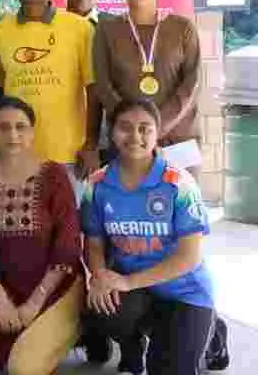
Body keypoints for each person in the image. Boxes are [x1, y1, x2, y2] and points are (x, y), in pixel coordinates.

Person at [82, 99, 216, 375]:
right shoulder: (97, 185)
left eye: (145, 128)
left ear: (158, 133)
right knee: (103, 307)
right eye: (125, 127)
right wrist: (100, 276)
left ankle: (213, 335)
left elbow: (190, 257)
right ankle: (133, 345)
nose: (135, 136)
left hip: (184, 293)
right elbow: (93, 243)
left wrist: (127, 282)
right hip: (135, 293)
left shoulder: (179, 184)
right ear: (111, 131)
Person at [0, 98, 83, 375]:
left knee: (23, 369)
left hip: (54, 289)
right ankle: (32, 343)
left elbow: (67, 244)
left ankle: (68, 333)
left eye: (20, 127)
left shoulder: (54, 175)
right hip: (4, 287)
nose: (12, 135)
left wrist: (35, 301)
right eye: (2, 128)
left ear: (32, 132)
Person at [89, 0, 201, 174]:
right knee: (128, 196)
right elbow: (103, 86)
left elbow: (192, 83)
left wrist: (155, 127)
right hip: (128, 142)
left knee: (181, 196)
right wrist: (135, 128)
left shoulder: (183, 28)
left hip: (178, 141)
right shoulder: (107, 30)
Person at [0, 0, 93, 174]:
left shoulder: (80, 28)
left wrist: (91, 145)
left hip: (69, 153)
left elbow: (93, 90)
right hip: (17, 153)